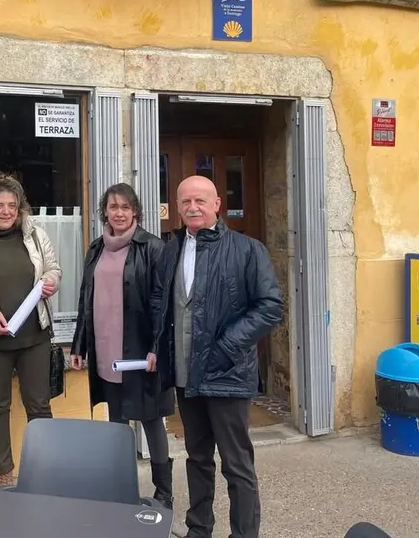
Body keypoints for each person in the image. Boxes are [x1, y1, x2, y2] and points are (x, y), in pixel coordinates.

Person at [162, 175, 283, 538]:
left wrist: (227, 346)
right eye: (186, 202)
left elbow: (270, 307)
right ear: (178, 207)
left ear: (217, 204)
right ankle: (199, 529)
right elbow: (163, 307)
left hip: (227, 374)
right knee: (197, 459)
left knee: (236, 464)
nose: (193, 207)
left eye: (201, 200)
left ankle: (244, 534)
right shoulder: (171, 250)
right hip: (186, 375)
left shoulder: (247, 249)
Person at [69, 183, 175, 510]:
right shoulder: (96, 248)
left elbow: (163, 304)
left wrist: (158, 348)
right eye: (113, 207)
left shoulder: (154, 248)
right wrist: (79, 345)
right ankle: (124, 490)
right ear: (105, 211)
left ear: (136, 212)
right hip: (107, 350)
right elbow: (86, 299)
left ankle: (163, 493)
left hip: (142, 353)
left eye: (125, 207)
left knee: (151, 420)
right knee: (117, 423)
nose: (118, 213)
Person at [0, 175, 62, 488]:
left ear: (20, 209)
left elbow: (53, 269)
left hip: (34, 335)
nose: (6, 212)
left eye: (12, 206)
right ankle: (4, 475)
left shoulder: (35, 235)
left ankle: (46, 474)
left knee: (39, 404)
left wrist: (52, 282)